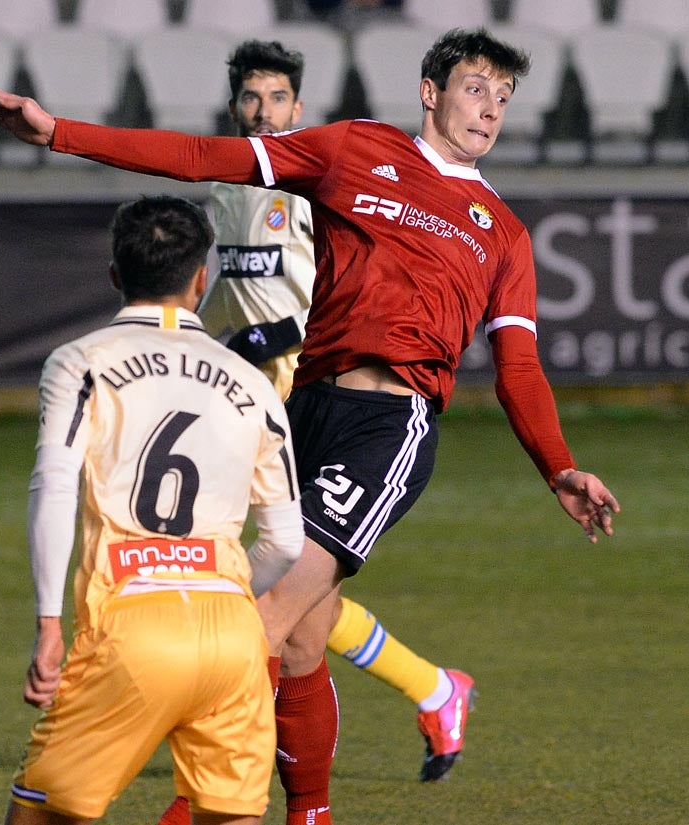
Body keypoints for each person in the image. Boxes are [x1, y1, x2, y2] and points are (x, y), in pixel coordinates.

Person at [0, 27, 621, 825]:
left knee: (254, 627)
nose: (490, 109)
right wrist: (58, 133)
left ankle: (201, 806)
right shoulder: (354, 150)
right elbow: (205, 158)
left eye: (503, 98)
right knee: (304, 640)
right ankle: (310, 812)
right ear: (431, 90)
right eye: (476, 88)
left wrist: (558, 465)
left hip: (389, 423)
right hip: (301, 408)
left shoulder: (502, 231)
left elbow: (518, 365)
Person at [198, 38, 478, 788]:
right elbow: (224, 295)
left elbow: (318, 303)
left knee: (277, 591)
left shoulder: (307, 183)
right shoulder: (228, 193)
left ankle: (218, 781)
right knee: (299, 593)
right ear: (234, 106)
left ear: (299, 106)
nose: (264, 112)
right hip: (253, 408)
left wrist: (253, 341)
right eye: (251, 99)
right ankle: (432, 687)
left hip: (310, 395)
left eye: (278, 99)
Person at [6, 194, 304, 825]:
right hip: (232, 634)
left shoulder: (80, 362)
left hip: (130, 624)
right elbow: (284, 541)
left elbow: (54, 483)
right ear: (204, 276)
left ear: (115, 275)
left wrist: (48, 622)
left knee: (41, 812)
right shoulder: (253, 383)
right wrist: (223, 593)